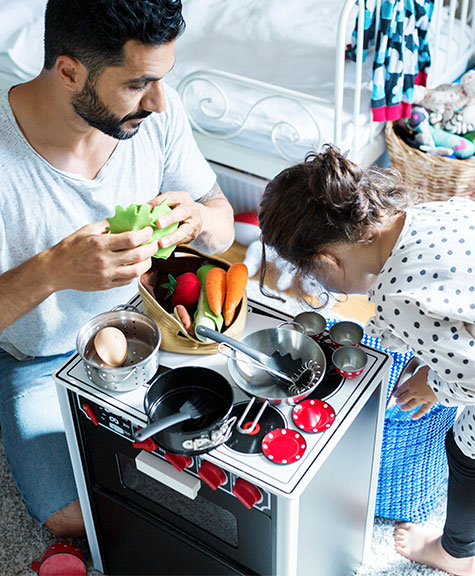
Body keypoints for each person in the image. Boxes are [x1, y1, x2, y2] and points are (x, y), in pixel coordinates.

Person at [0, 0, 234, 538]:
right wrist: (53, 270)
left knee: (230, 459)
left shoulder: (157, 112)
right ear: (68, 71)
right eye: (136, 85)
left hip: (153, 325)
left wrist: (198, 218)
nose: (157, 101)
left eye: (161, 80)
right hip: (38, 360)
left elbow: (224, 224)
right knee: (77, 516)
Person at [258, 145, 475, 576]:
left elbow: (470, 379)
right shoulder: (433, 213)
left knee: (465, 448)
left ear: (326, 262)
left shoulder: (399, 299)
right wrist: (429, 360)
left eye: (320, 280)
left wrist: (435, 385)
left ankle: (456, 553)